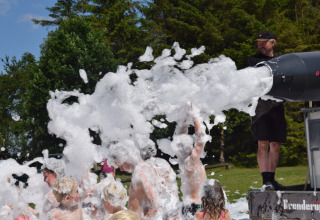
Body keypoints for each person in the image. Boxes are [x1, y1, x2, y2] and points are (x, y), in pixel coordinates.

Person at [247, 30, 287, 190]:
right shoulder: (253, 60)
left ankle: (272, 179)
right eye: (258, 42)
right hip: (261, 105)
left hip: (277, 105)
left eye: (264, 42)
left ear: (273, 43)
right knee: (262, 142)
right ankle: (265, 181)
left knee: (276, 143)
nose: (260, 45)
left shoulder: (281, 60)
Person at [107, 140, 169, 220]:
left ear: (127, 158)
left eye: (121, 165)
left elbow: (157, 205)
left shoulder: (141, 174)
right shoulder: (142, 170)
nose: (121, 169)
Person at [172, 102, 209, 218]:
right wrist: (194, 115)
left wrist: (185, 118)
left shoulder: (181, 158)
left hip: (187, 205)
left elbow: (179, 136)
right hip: (196, 206)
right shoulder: (191, 161)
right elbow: (201, 138)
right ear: (191, 148)